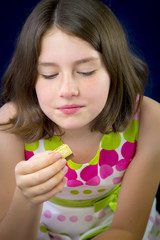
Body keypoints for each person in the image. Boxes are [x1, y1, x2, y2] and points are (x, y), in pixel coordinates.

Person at [0, 0, 160, 239]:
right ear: (31, 78)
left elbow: (127, 230)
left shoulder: (150, 119)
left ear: (113, 69)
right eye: (49, 74)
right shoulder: (11, 125)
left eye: (85, 71)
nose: (67, 90)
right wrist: (27, 198)